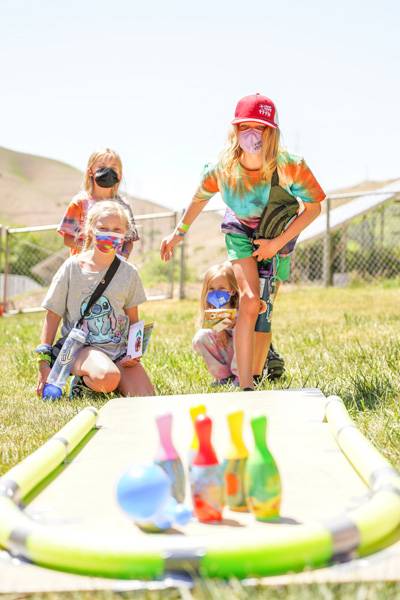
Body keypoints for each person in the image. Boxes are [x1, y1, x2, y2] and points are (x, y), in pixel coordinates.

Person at [161, 93, 325, 390]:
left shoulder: (289, 166)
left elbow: (314, 208)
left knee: (264, 307)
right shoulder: (222, 167)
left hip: (276, 237)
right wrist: (178, 233)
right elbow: (199, 199)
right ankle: (246, 386)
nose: (252, 134)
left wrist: (276, 244)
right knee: (249, 300)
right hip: (239, 233)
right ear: (234, 130)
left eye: (260, 127)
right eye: (245, 127)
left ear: (272, 132)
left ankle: (261, 361)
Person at [36, 201, 154, 399]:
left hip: (118, 352)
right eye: (103, 228)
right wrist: (43, 362)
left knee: (145, 396)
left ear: (126, 234)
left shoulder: (129, 273)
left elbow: (134, 320)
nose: (110, 234)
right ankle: (85, 381)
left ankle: (105, 380)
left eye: (117, 229)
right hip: (80, 349)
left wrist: (134, 352)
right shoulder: (72, 268)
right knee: (108, 377)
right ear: (90, 229)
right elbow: (52, 315)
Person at [58, 148, 138, 258]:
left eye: (113, 168)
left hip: (113, 266)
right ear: (90, 171)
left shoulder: (123, 206)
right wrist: (92, 252)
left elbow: (129, 240)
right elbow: (68, 238)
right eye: (101, 167)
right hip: (84, 264)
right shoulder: (79, 202)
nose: (108, 171)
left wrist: (122, 258)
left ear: (119, 174)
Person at [193, 262, 239, 385]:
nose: (216, 293)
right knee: (201, 336)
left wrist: (235, 324)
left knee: (240, 330)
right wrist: (219, 328)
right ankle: (224, 377)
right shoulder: (211, 311)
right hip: (226, 352)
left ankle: (240, 376)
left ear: (232, 290)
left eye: (222, 288)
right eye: (211, 289)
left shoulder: (241, 308)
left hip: (244, 357)